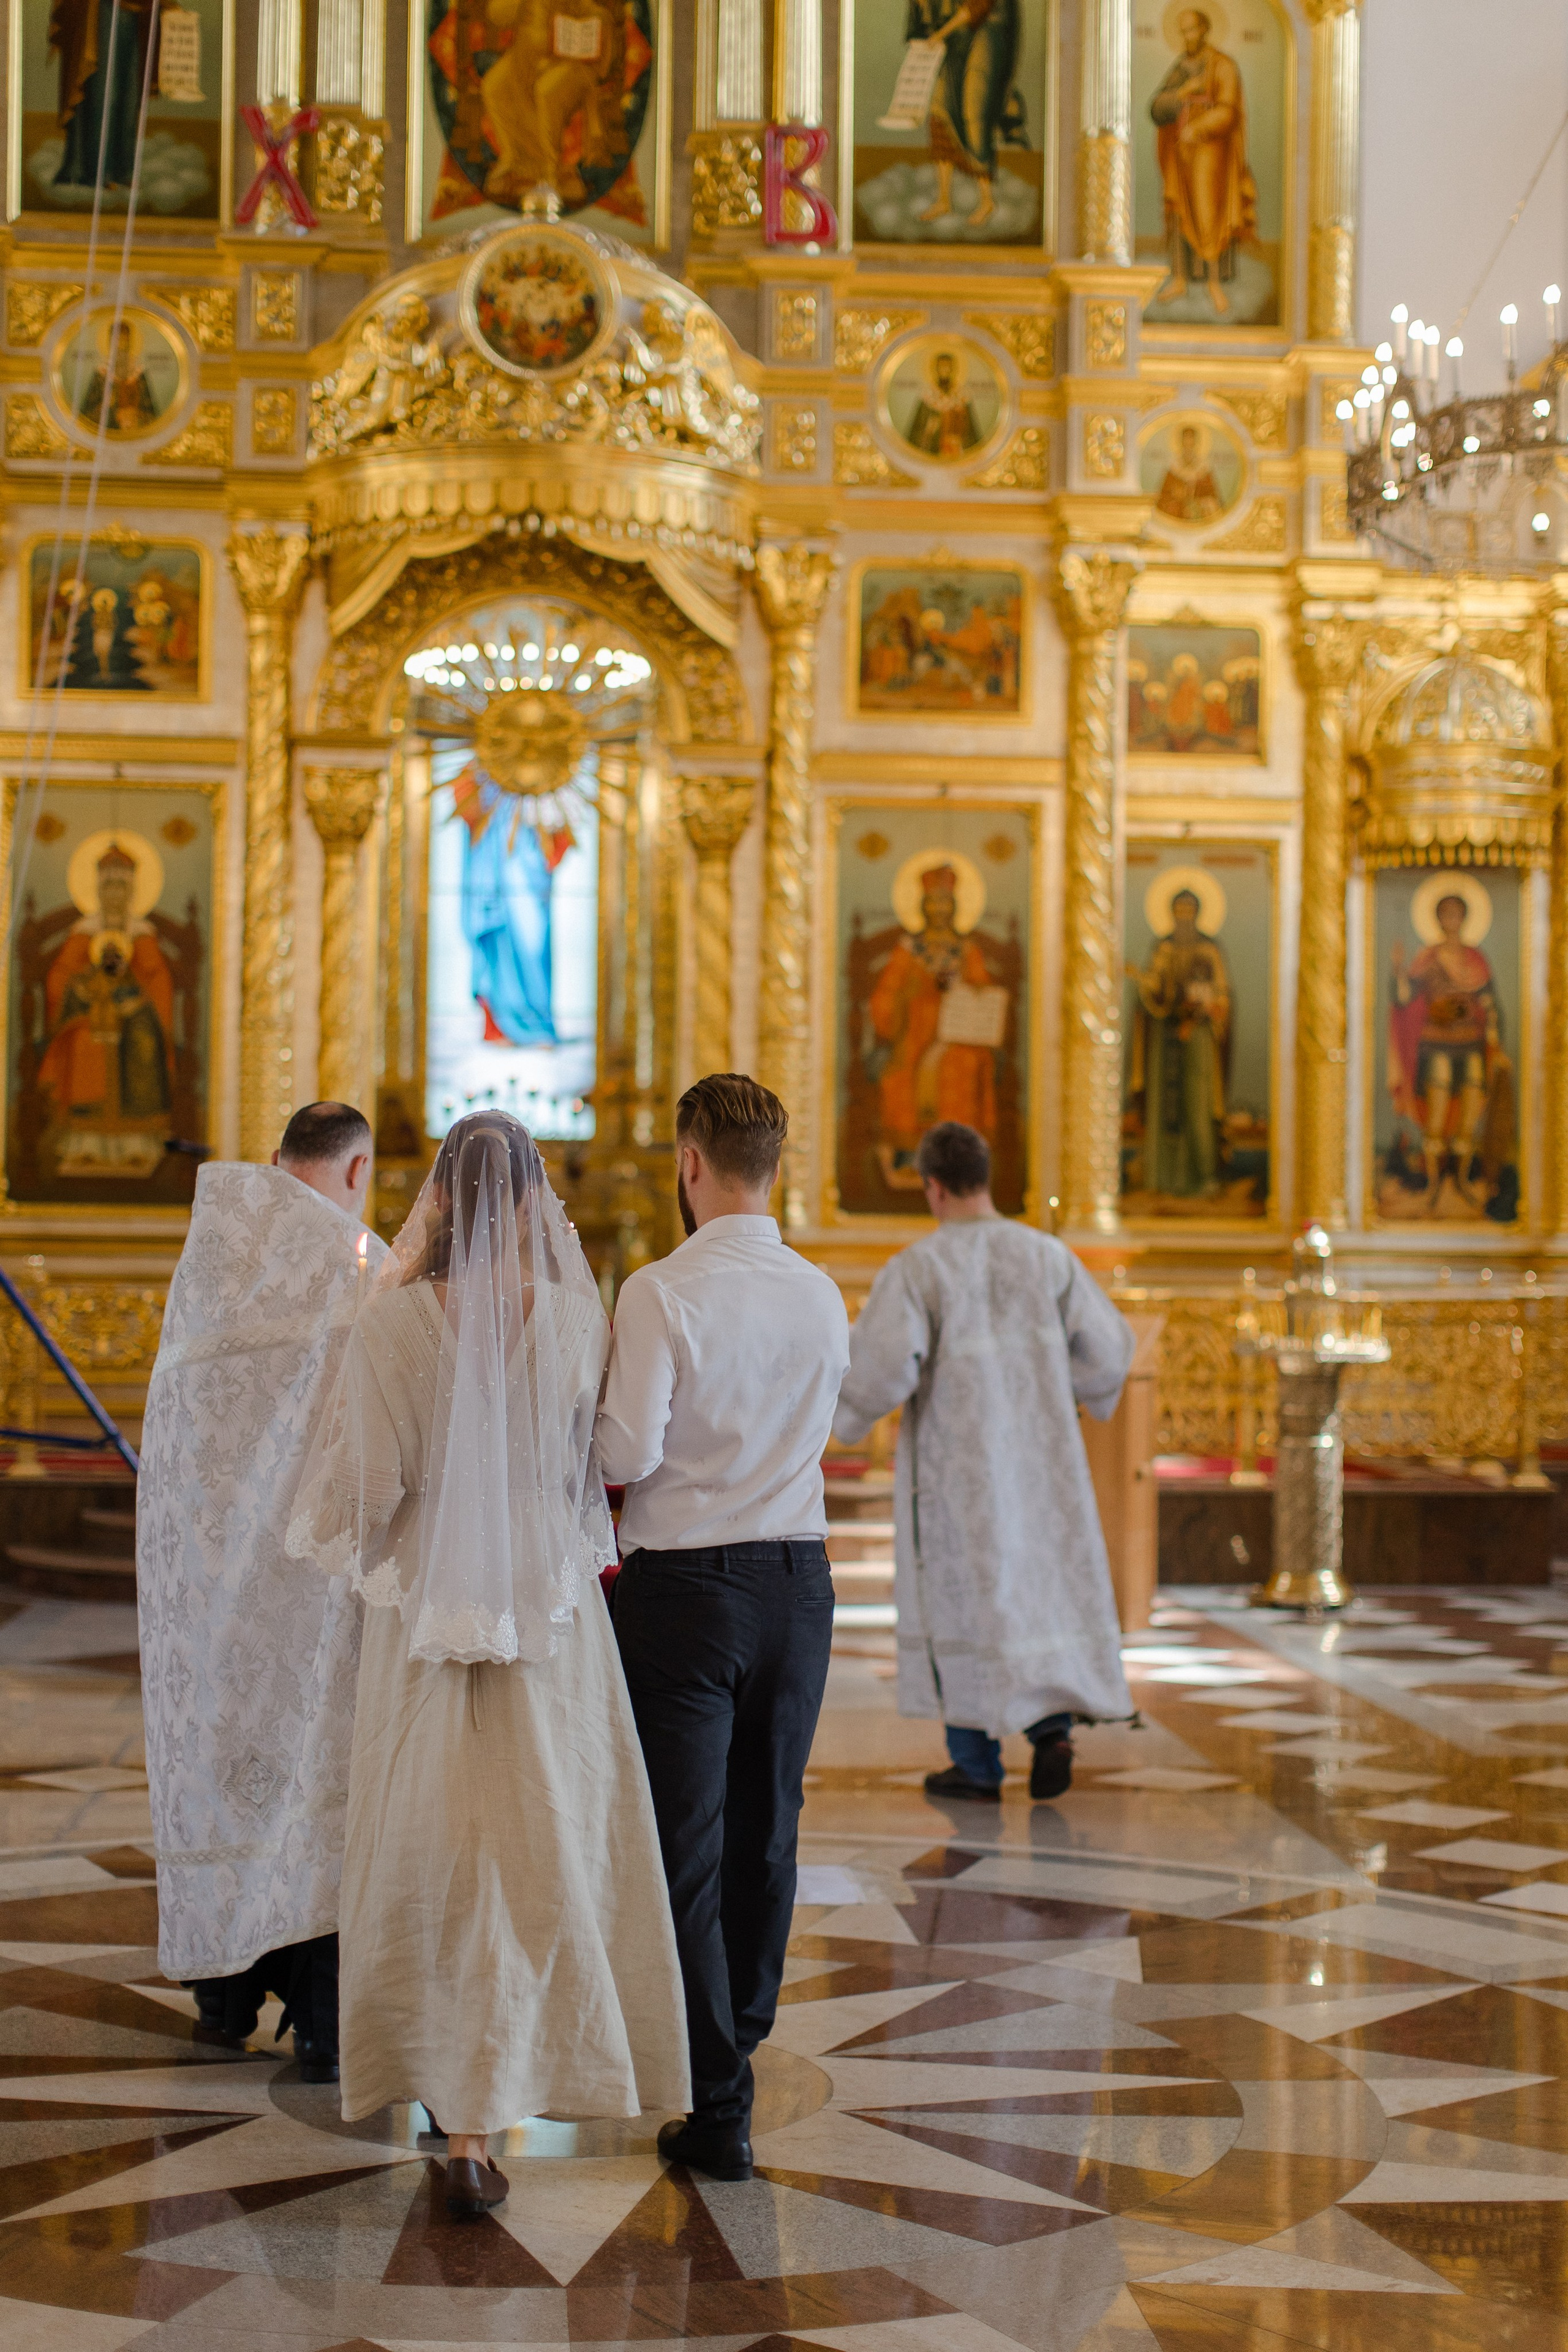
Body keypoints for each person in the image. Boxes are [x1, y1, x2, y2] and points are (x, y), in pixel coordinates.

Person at [287, 1110, 687, 2219]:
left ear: (440, 1199)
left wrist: (337, 1542)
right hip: (548, 1616)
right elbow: (588, 1465)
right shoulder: (570, 1315)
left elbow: (367, 1494)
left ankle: (448, 2111)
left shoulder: (390, 1326)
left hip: (422, 1613)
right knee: (539, 1841)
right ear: (528, 1203)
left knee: (425, 1843)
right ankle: (502, 2101)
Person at [598, 1074, 851, 2185]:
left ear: (692, 1165)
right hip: (799, 1582)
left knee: (687, 1841)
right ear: (776, 1165)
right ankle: (738, 2033)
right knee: (768, 1826)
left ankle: (718, 2099)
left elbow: (623, 1457)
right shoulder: (821, 1292)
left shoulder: (661, 1290)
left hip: (687, 1590)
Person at [137, 1102, 384, 2086]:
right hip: (313, 1591)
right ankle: (323, 2015)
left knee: (223, 1768)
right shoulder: (357, 1266)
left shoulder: (213, 1253)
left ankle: (224, 1998)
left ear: (281, 1160)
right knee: (317, 1784)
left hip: (209, 1584)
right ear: (358, 1170)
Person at [832, 1120, 1133, 1802]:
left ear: (932, 1187)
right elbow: (1110, 1349)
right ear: (985, 1178)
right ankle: (1052, 1733)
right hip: (1040, 1460)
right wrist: (1079, 1392)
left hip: (957, 1474)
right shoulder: (1047, 1257)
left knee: (962, 1599)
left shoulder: (920, 1268)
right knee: (1038, 1588)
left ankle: (975, 1765)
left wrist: (840, 1415)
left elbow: (880, 1369)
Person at [1150, 9, 1256, 317]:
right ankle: (1180, 278)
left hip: (1211, 155)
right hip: (1179, 151)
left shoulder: (1223, 65)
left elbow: (1228, 111)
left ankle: (1213, 283)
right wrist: (1180, 95)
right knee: (1180, 211)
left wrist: (1197, 128)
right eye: (1182, 32)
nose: (1186, 38)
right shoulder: (1180, 68)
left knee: (1209, 214)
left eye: (1191, 31)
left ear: (1205, 30)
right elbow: (1157, 108)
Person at [1127, 886, 1232, 1199]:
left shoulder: (1209, 949)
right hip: (1166, 1038)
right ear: (1172, 914)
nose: (1184, 917)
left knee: (1197, 1106)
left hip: (1198, 1040)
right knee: (1165, 1106)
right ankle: (1162, 1180)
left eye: (1190, 911)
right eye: (1179, 911)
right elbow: (1155, 989)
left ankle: (1202, 1178)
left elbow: (1222, 994)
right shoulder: (1163, 947)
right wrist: (1143, 981)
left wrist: (1205, 1012)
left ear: (1198, 914)